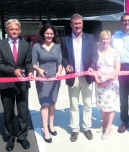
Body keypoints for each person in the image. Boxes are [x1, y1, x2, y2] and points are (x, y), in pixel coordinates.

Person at [0, 19, 34, 151]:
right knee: (8, 112)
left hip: (22, 84)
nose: (14, 31)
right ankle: (10, 137)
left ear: (20, 30)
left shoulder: (26, 45)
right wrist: (13, 71)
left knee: (23, 112)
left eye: (16, 29)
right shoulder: (0, 45)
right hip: (6, 84)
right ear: (7, 30)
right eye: (11, 29)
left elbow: (28, 63)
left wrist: (30, 72)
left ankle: (22, 137)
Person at [61, 13, 98, 142]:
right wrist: (66, 66)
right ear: (71, 24)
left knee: (87, 104)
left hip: (87, 76)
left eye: (79, 23)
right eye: (75, 23)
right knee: (74, 105)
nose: (77, 26)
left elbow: (95, 55)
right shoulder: (65, 40)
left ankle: (87, 127)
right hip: (73, 77)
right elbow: (63, 57)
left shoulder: (90, 38)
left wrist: (92, 66)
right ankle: (75, 129)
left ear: (82, 24)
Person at [32, 24, 62, 143]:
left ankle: (51, 125)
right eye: (47, 33)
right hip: (42, 80)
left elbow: (59, 62)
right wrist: (39, 70)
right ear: (43, 34)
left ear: (54, 35)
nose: (49, 35)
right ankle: (45, 129)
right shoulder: (37, 47)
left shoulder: (58, 46)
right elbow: (33, 63)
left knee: (52, 103)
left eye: (51, 33)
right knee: (44, 104)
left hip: (55, 79)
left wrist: (59, 72)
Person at [94, 30, 120, 140]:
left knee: (110, 105)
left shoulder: (115, 52)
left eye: (107, 38)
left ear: (110, 39)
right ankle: (104, 123)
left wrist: (109, 80)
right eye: (103, 38)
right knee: (101, 105)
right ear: (100, 40)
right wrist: (97, 80)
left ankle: (108, 127)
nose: (105, 41)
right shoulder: (97, 51)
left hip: (111, 83)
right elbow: (94, 68)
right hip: (99, 82)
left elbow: (117, 68)